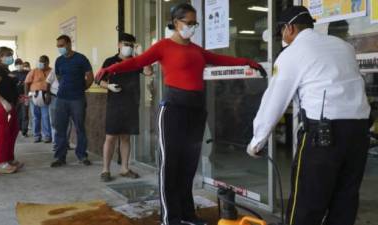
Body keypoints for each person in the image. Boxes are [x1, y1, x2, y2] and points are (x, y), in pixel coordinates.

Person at [96, 3, 263, 225]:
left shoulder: (196, 50)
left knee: (188, 166)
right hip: (173, 111)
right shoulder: (163, 47)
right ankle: (170, 218)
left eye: (195, 23)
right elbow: (137, 61)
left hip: (196, 111)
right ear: (176, 23)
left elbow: (220, 59)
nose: (192, 27)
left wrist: (248, 62)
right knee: (170, 166)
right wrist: (110, 69)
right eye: (189, 23)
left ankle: (187, 215)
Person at [246, 6, 370, 225]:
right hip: (358, 134)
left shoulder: (293, 53)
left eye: (281, 32)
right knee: (345, 202)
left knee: (307, 204)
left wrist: (257, 140)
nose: (282, 38)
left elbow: (275, 100)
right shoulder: (344, 46)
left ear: (289, 28)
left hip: (324, 136)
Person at [98, 33, 153, 182]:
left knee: (126, 137)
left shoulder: (137, 62)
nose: (128, 47)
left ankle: (124, 168)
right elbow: (98, 80)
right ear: (119, 45)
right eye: (126, 44)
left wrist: (142, 55)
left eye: (131, 45)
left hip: (131, 103)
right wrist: (108, 86)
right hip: (114, 104)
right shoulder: (110, 61)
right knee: (110, 137)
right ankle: (105, 170)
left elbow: (148, 72)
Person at [51, 35, 94, 167]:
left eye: (62, 45)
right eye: (58, 46)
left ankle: (82, 156)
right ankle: (60, 157)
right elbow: (58, 77)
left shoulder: (81, 58)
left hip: (77, 99)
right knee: (60, 128)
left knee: (80, 127)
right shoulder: (58, 61)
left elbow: (90, 76)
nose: (60, 48)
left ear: (69, 44)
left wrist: (83, 87)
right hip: (61, 98)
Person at [0, 47, 24, 174]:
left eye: (11, 55)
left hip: (10, 104)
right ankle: (1, 163)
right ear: (0, 56)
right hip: (1, 104)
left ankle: (9, 159)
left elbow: (8, 87)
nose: (10, 57)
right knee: (4, 132)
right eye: (8, 55)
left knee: (13, 130)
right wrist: (3, 102)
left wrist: (18, 98)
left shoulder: (5, 69)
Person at [25, 55, 52, 143]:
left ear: (47, 63)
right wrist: (26, 96)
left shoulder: (51, 71)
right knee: (35, 117)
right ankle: (37, 135)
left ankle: (46, 136)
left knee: (46, 116)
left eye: (42, 62)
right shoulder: (34, 71)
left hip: (46, 96)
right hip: (34, 96)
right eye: (39, 61)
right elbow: (26, 83)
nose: (40, 63)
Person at [11, 58, 29, 136]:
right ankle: (18, 128)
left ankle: (24, 131)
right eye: (17, 64)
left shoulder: (27, 73)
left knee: (25, 114)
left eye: (20, 64)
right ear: (15, 65)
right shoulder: (12, 73)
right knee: (17, 114)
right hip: (15, 97)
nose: (19, 65)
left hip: (24, 96)